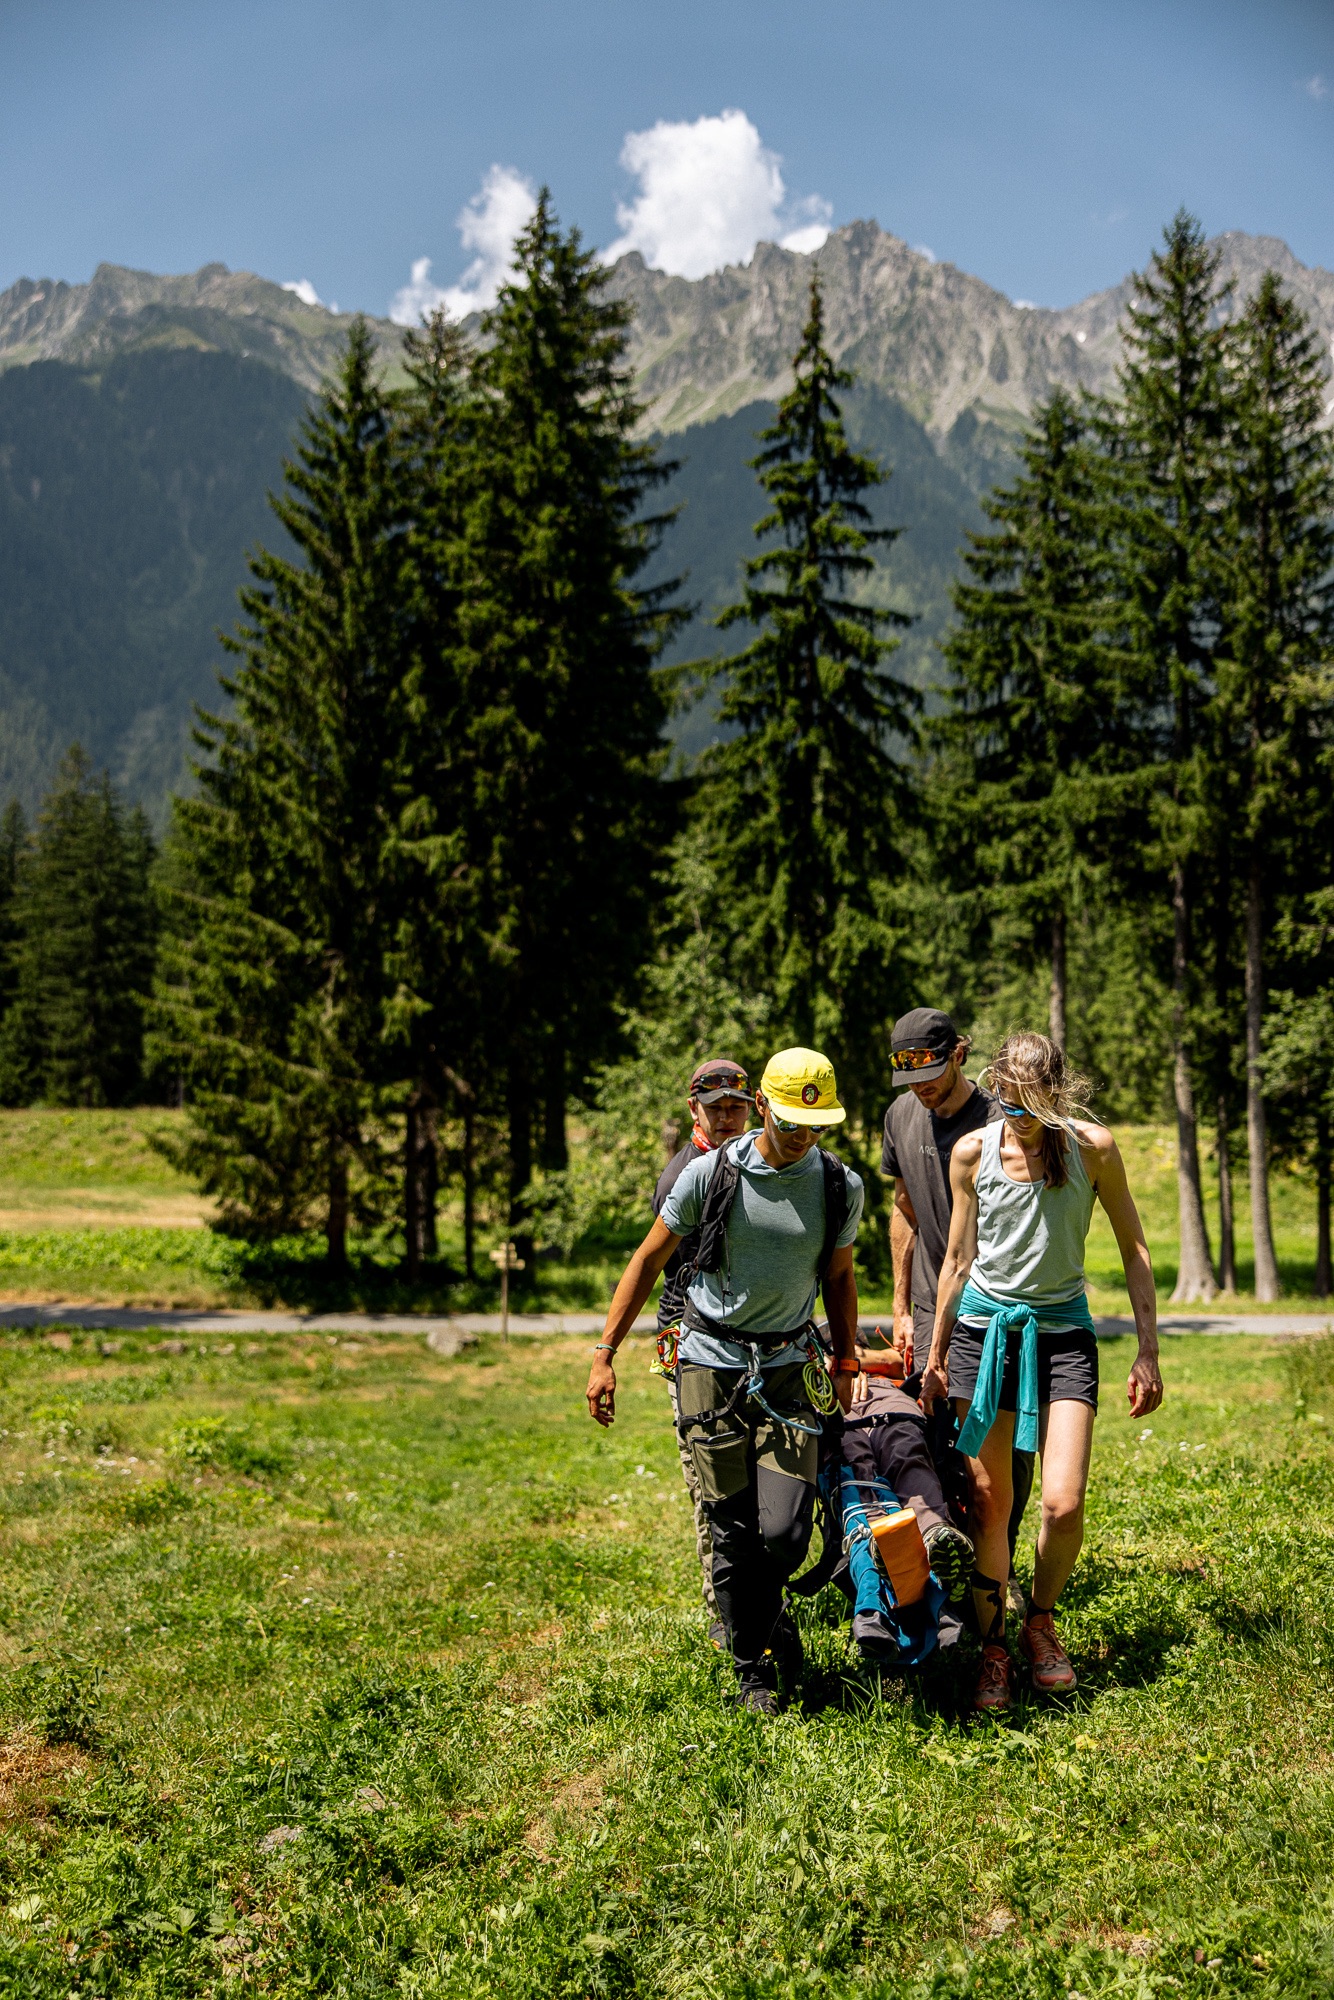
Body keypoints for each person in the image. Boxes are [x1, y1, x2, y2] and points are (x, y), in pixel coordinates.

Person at [586, 1047, 864, 1715]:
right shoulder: (707, 1177)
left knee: (788, 1531)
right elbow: (648, 1260)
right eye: (792, 1122)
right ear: (762, 1107)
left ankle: (763, 1628)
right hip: (710, 1367)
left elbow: (840, 1277)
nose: (803, 1138)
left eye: (815, 1126)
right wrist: (605, 1354)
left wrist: (847, 1357)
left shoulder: (838, 1185)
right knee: (732, 1526)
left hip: (791, 1369)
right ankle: (755, 1671)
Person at [920, 1030, 1164, 1713]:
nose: (1017, 1118)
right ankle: (994, 1648)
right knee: (991, 1506)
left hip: (1062, 1339)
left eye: (1031, 1106)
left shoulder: (1094, 1149)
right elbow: (958, 1260)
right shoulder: (972, 1153)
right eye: (1006, 1103)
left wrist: (1148, 1348)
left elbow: (1134, 1245)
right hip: (983, 1335)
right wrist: (936, 1356)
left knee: (1062, 1502)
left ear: (1057, 1095)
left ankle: (1041, 1622)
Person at [883, 1006, 1034, 1609]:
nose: (921, 1088)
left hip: (998, 1309)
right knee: (939, 1440)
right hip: (928, 1305)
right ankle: (947, 1574)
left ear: (961, 1055)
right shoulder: (899, 1116)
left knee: (1005, 1454)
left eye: (933, 1072)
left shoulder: (1001, 1118)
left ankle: (1002, 1569)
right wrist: (900, 1305)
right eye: (910, 1077)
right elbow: (903, 1208)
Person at [652, 1058, 754, 1637]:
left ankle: (757, 1595)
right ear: (694, 1109)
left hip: (747, 1343)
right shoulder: (686, 1174)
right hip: (688, 1341)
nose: (725, 1117)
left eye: (735, 1107)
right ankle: (725, 1614)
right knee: (709, 1480)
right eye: (714, 1108)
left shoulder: (751, 1163)